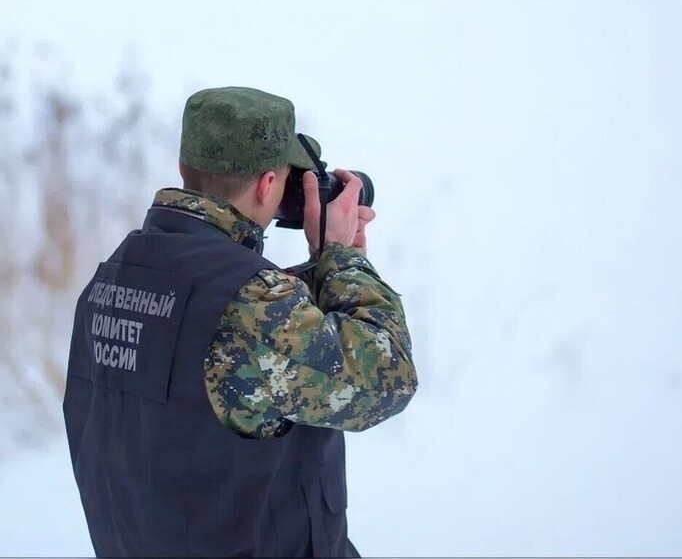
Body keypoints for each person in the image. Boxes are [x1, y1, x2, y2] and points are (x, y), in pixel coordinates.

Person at [63, 86, 418, 557]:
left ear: (183, 168)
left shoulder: (113, 277)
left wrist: (317, 274)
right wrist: (342, 259)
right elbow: (386, 379)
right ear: (269, 185)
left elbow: (214, 348)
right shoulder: (253, 308)